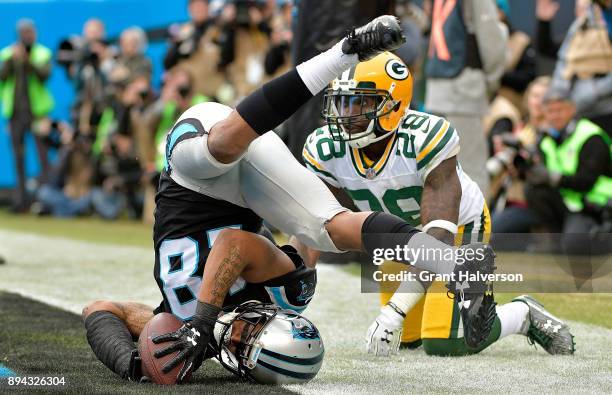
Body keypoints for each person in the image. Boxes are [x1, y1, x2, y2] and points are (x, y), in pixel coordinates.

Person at [81, 16, 496, 384]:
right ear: (274, 320)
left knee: (223, 152)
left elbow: (101, 309)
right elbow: (233, 245)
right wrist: (204, 322)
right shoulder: (282, 295)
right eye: (255, 337)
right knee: (328, 227)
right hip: (233, 163)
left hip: (189, 181)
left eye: (246, 347)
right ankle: (342, 54)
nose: (244, 338)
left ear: (239, 362)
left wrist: (133, 364)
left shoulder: (190, 331)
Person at [302, 52, 574, 357]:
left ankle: (522, 314)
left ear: (393, 103)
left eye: (361, 103)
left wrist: (395, 309)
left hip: (456, 231)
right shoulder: (324, 148)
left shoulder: (425, 138)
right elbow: (316, 223)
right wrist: (290, 297)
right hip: (399, 238)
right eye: (343, 102)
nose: (347, 114)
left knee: (446, 341)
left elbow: (438, 240)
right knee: (406, 340)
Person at [425, 0, 508, 194]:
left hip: (437, 89)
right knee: (471, 173)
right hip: (462, 89)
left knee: (439, 172)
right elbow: (492, 40)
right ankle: (476, 225)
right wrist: (491, 79)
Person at [525, 86, 612, 255]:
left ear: (572, 109)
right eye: (550, 111)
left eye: (560, 110)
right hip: (571, 202)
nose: (555, 116)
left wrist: (553, 178)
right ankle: (556, 239)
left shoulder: (590, 136)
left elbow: (586, 182)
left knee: (576, 247)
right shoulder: (547, 140)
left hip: (598, 204)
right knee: (534, 190)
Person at [0, 19, 54, 212]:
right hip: (15, 115)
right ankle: (20, 201)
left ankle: (47, 200)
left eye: (30, 32)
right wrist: (11, 61)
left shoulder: (42, 53)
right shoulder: (7, 53)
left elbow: (44, 76)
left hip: (37, 114)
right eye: (25, 33)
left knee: (43, 158)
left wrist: (27, 61)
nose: (28, 36)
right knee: (18, 158)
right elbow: (2, 77)